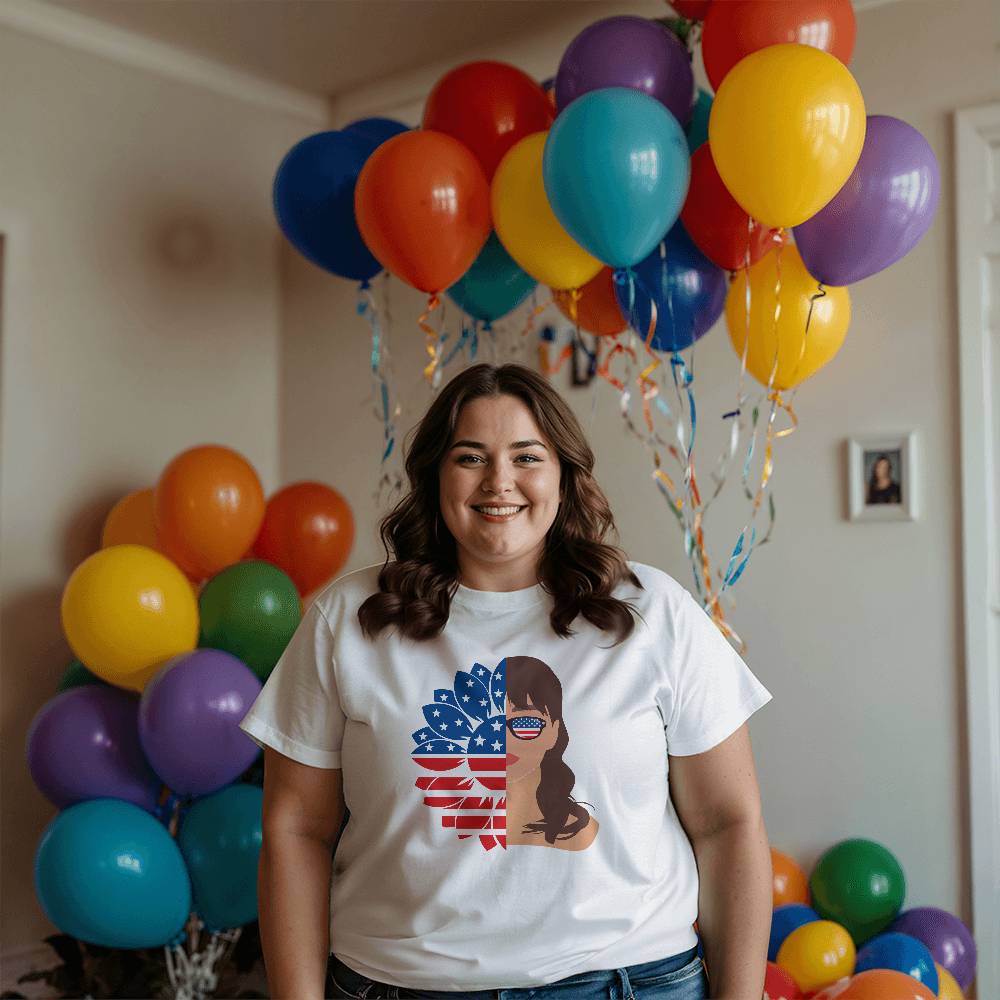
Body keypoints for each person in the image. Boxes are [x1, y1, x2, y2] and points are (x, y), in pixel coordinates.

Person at [239, 362, 773, 1000]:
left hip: (629, 981)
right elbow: (297, 830)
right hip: (400, 985)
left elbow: (727, 824)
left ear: (563, 475)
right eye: (471, 457)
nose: (500, 482)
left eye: (527, 456)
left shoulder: (654, 612)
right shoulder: (348, 620)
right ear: (437, 474)